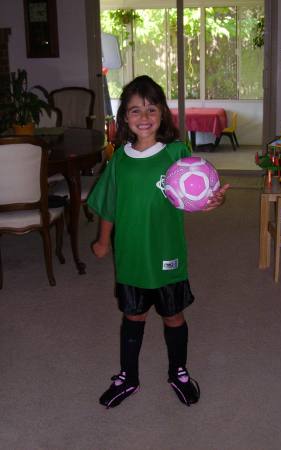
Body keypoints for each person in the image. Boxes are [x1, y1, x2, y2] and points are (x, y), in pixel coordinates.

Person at [87, 75, 229, 409]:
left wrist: (214, 201)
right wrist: (103, 241)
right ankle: (128, 377)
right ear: (125, 118)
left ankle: (178, 371)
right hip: (133, 259)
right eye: (135, 110)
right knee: (133, 317)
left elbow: (199, 193)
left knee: (173, 315)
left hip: (168, 256)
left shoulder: (178, 153)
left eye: (152, 108)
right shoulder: (118, 160)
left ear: (162, 113)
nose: (144, 117)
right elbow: (109, 205)